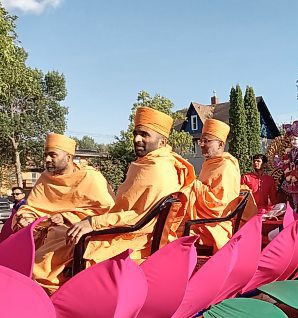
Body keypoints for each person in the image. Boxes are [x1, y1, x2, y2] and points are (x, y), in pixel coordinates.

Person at [67, 107, 196, 280]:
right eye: (135, 133)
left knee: (64, 241)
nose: (137, 139)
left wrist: (95, 222)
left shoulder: (158, 168)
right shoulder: (149, 164)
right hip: (131, 227)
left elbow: (140, 218)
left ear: (162, 142)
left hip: (138, 238)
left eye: (144, 134)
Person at [13, 133, 115, 293]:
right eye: (45, 155)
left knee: (54, 242)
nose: (47, 159)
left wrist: (66, 216)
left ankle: (46, 293)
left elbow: (105, 210)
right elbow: (31, 206)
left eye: (52, 155)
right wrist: (26, 216)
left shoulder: (90, 177)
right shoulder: (44, 178)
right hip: (40, 230)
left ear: (69, 157)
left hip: (71, 231)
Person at [186, 119, 243, 251]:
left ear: (220, 144)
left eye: (207, 141)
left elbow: (218, 206)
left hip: (214, 226)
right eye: (201, 141)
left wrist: (192, 184)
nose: (202, 144)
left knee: (168, 231)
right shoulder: (209, 164)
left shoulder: (226, 166)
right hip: (202, 220)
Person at [273, 120, 298, 207]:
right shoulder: (288, 152)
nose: (293, 141)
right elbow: (284, 165)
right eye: (292, 139)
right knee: (284, 197)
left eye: (295, 139)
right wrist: (278, 162)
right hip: (288, 179)